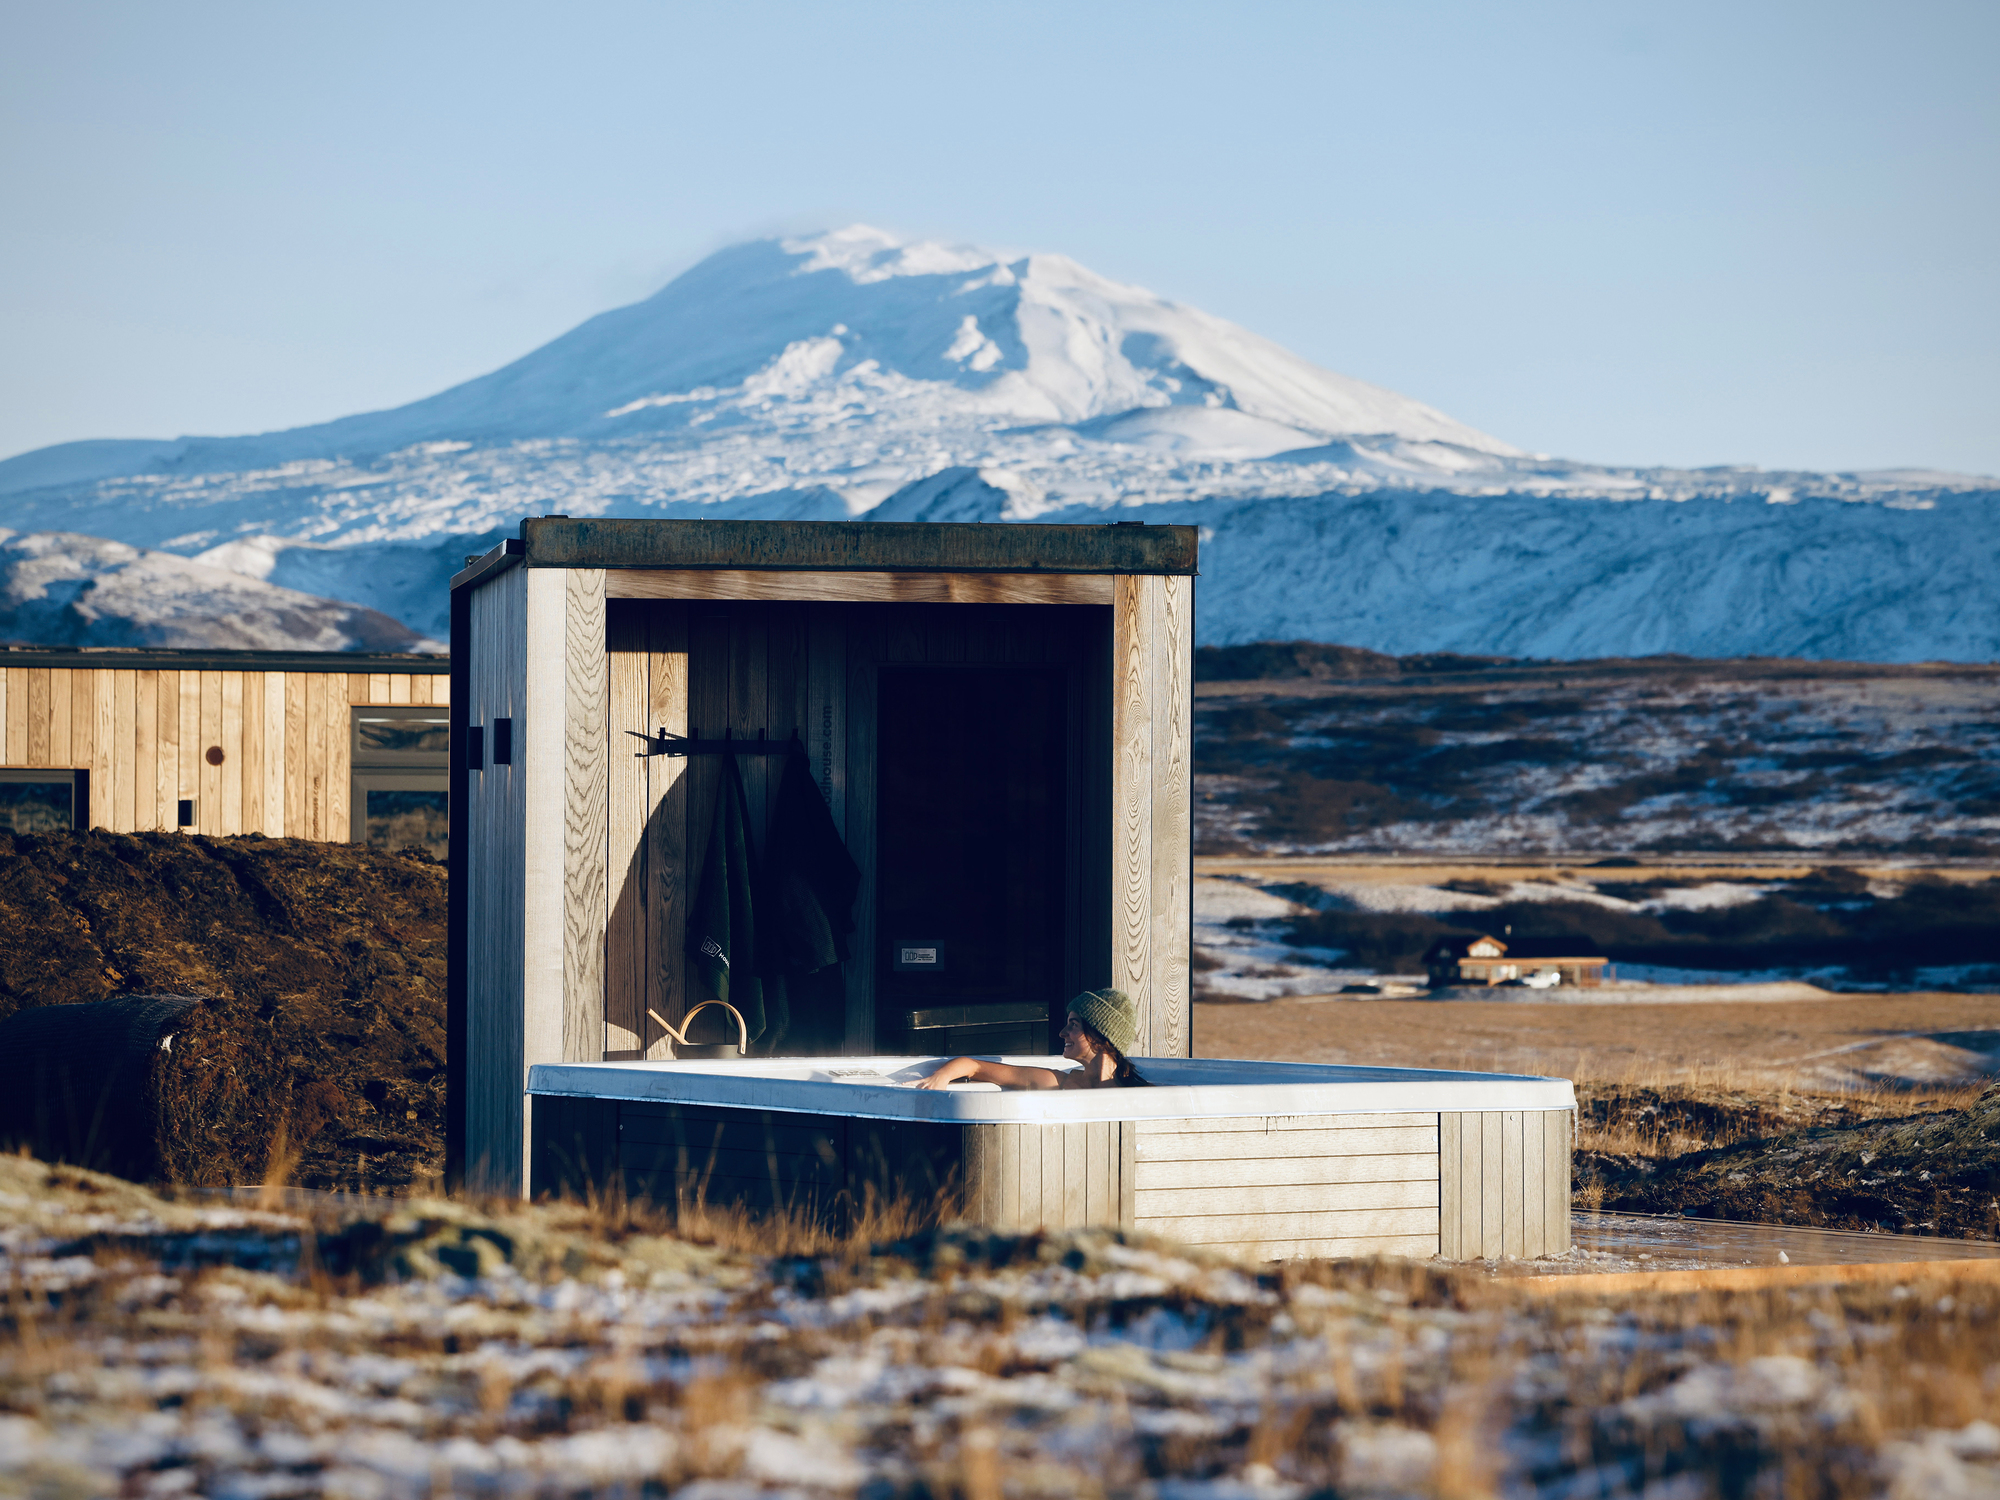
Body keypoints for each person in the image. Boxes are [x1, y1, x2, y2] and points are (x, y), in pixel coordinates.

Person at [916, 989, 1148, 1090]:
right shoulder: (1059, 1083)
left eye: (1073, 1025)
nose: (1062, 1032)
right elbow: (974, 1067)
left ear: (1100, 1034)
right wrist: (941, 1076)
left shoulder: (1141, 1094)